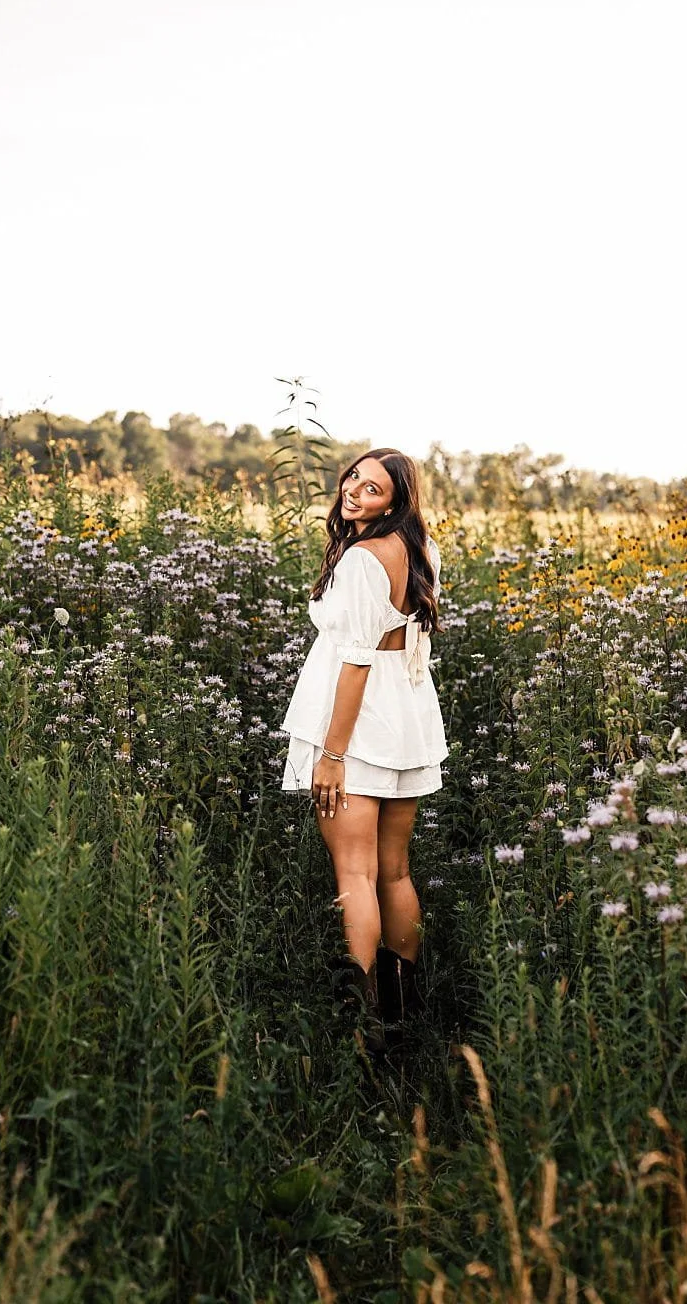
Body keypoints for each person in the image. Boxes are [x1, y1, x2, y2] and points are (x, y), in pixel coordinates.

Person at [279, 447, 449, 1050]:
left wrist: (331, 753)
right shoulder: (422, 550)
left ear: (396, 501)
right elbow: (410, 649)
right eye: (354, 477)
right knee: (395, 871)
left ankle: (366, 1026)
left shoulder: (360, 560)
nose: (353, 490)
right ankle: (401, 1014)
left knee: (355, 874)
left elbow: (354, 663)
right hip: (403, 717)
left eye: (372, 488)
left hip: (357, 725)